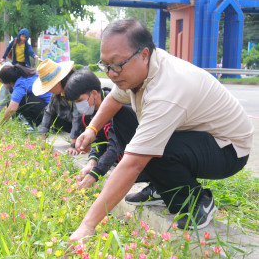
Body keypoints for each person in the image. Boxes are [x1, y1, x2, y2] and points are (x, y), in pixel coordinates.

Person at [69, 17, 253, 241]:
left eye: (116, 64)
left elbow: (133, 164)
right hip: (196, 136)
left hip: (228, 149)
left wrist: (87, 225)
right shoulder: (144, 68)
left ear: (144, 54)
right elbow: (115, 99)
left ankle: (196, 200)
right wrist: (92, 128)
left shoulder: (167, 89)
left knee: (151, 147)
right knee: (125, 119)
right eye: (105, 65)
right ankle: (162, 187)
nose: (111, 73)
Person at [64, 70, 141, 189]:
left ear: (94, 93)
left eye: (80, 101)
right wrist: (92, 162)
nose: (78, 106)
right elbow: (99, 141)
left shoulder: (121, 109)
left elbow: (114, 146)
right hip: (119, 161)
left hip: (139, 163)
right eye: (75, 102)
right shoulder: (87, 117)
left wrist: (94, 174)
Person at [33, 59, 84, 155]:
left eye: (49, 87)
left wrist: (73, 145)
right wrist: (42, 138)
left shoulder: (78, 88)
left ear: (58, 82)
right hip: (71, 123)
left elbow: (78, 116)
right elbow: (49, 112)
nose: (48, 91)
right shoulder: (57, 93)